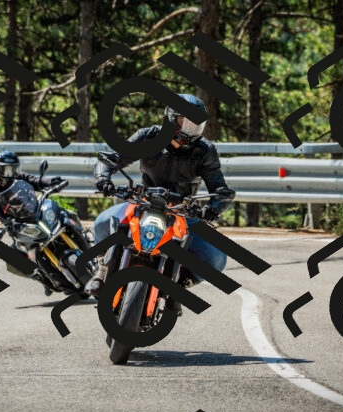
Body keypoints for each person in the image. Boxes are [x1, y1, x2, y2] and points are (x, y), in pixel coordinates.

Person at [84, 94, 236, 315]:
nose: (193, 129)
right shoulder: (148, 137)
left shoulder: (205, 150)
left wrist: (214, 208)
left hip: (181, 211)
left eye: (197, 125)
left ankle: (179, 285)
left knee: (216, 257)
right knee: (102, 222)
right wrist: (103, 177)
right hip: (143, 202)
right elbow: (113, 157)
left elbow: (219, 188)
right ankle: (104, 269)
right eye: (187, 123)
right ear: (171, 120)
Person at [0, 150, 63, 295]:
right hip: (20, 230)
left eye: (13, 169)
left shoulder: (20, 178)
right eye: (5, 170)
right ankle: (43, 278)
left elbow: (36, 181)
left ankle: (84, 238)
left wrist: (50, 182)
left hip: (37, 216)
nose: (9, 174)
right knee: (12, 259)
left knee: (62, 214)